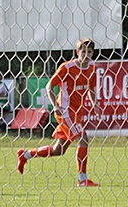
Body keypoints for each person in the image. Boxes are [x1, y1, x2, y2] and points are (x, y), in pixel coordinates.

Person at [16, 37, 99, 187]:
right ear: (77, 52)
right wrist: (55, 105)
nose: (86, 54)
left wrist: (95, 105)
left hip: (77, 113)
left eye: (90, 51)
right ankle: (82, 179)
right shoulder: (67, 67)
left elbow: (91, 88)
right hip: (65, 111)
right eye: (83, 51)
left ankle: (25, 155)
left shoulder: (92, 68)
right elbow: (49, 86)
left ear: (93, 53)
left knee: (58, 150)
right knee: (83, 139)